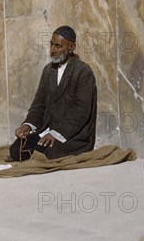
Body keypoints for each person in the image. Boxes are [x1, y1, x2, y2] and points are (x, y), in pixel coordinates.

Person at [9, 25, 97, 161]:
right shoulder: (48, 71)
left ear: (72, 47)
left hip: (72, 135)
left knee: (44, 152)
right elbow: (39, 105)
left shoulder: (83, 71)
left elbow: (81, 111)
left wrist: (56, 134)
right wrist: (28, 125)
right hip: (48, 131)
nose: (52, 50)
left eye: (58, 46)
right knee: (17, 150)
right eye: (51, 45)